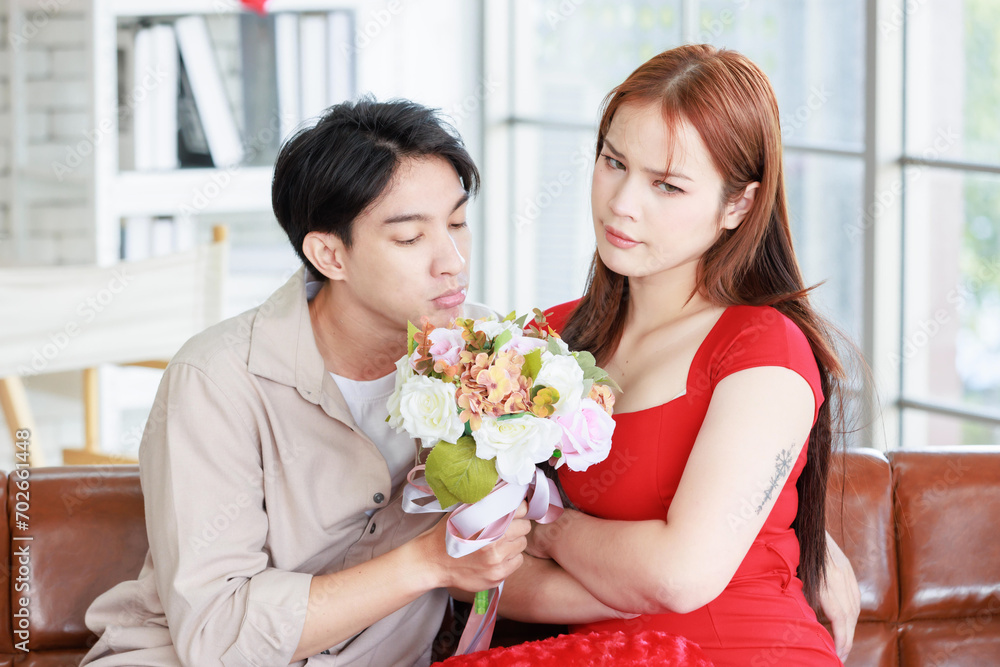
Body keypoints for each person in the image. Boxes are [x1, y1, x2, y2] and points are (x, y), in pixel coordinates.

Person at [80, 98, 532, 667]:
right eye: (411, 238)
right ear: (329, 254)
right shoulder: (217, 381)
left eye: (458, 223)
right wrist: (431, 561)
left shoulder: (487, 355)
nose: (453, 261)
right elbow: (219, 637)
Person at [494, 44, 861, 665]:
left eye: (666, 185)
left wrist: (548, 526)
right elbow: (487, 573)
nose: (623, 203)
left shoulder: (765, 348)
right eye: (614, 162)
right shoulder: (540, 340)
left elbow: (682, 576)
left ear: (738, 205)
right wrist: (633, 579)